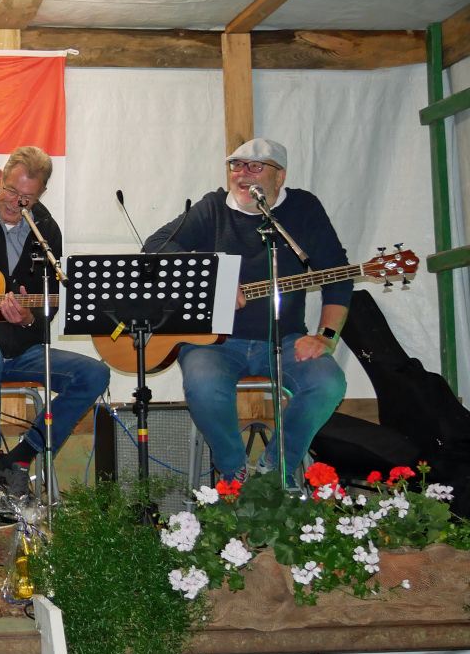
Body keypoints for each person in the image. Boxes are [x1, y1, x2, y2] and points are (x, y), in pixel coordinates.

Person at [142, 138, 350, 484]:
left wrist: (325, 337)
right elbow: (155, 247)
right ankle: (233, 470)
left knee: (328, 383)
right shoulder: (213, 207)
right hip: (215, 342)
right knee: (203, 384)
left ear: (279, 176)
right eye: (236, 165)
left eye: (255, 166)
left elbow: (338, 276)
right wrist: (212, 277)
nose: (242, 174)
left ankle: (276, 470)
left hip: (285, 340)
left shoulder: (303, 209)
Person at [0, 146, 110, 525]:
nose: (16, 202)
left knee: (95, 374)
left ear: (41, 194)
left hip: (20, 351)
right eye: (11, 190)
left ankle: (20, 457)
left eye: (27, 198)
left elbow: (47, 309)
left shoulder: (46, 232)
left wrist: (28, 319)